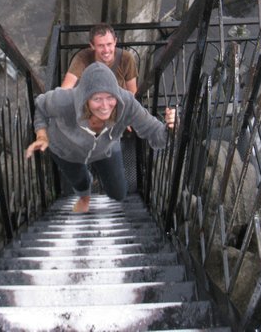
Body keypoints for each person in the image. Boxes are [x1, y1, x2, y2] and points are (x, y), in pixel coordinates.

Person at [26, 62, 175, 213]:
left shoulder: (126, 104)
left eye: (110, 97)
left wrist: (171, 129)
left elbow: (156, 134)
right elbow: (40, 107)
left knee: (118, 192)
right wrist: (42, 135)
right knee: (80, 181)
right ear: (85, 99)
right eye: (97, 99)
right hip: (65, 150)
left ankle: (99, 187)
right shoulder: (65, 100)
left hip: (106, 149)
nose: (105, 106)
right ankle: (85, 197)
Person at [61, 23, 138, 94]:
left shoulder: (126, 58)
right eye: (101, 45)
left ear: (115, 42)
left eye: (109, 44)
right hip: (89, 104)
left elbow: (132, 92)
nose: (106, 50)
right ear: (92, 46)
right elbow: (66, 87)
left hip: (116, 103)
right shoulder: (82, 57)